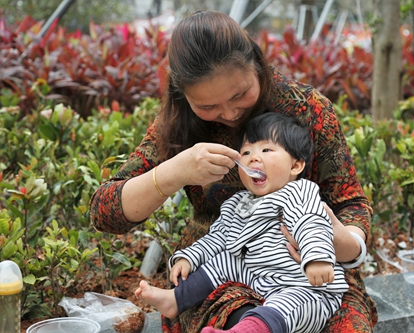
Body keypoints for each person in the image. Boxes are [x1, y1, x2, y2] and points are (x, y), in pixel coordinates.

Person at [90, 9, 377, 333]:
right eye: (208, 106)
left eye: (240, 94)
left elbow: (351, 202)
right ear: (183, 95)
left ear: (257, 66)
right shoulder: (177, 125)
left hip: (313, 267)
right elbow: (104, 211)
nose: (228, 112)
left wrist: (343, 241)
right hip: (223, 266)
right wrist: (175, 172)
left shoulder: (306, 108)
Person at [135, 112, 350, 333]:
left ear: (295, 166)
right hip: (257, 276)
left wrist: (317, 259)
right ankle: (176, 299)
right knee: (223, 261)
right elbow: (217, 237)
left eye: (266, 150)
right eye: (246, 152)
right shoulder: (239, 202)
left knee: (286, 307)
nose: (253, 158)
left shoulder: (299, 191)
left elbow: (311, 224)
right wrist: (189, 258)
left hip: (303, 283)